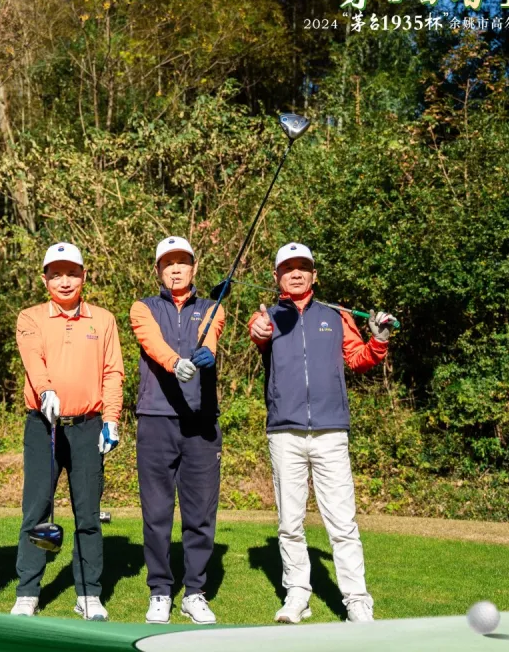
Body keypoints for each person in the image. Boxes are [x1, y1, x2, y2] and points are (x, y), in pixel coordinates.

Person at [247, 242, 397, 624]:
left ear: (314, 274)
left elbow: (358, 358)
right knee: (289, 523)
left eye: (303, 266)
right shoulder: (268, 317)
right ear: (277, 276)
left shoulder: (336, 316)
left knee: (343, 523)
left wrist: (379, 340)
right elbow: (258, 333)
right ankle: (297, 594)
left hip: (331, 432)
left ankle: (357, 601)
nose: (296, 273)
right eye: (288, 268)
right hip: (285, 432)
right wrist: (260, 328)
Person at [11, 242, 124, 621]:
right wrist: (46, 392)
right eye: (56, 274)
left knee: (88, 514)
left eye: (72, 273)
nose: (64, 281)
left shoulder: (103, 320)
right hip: (43, 426)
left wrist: (111, 419)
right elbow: (33, 360)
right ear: (44, 279)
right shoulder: (30, 317)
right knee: (37, 510)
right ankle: (28, 592)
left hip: (87, 427)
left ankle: (89, 594)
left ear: (84, 276)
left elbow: (113, 372)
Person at [129, 236, 226, 625]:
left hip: (202, 421)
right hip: (156, 419)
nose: (175, 269)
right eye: (167, 263)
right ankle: (160, 591)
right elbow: (150, 341)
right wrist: (175, 362)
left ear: (194, 267)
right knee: (156, 512)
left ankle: (195, 592)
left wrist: (207, 354)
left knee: (200, 512)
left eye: (182, 262)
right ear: (157, 270)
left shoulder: (211, 307)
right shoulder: (143, 307)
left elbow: (211, 333)